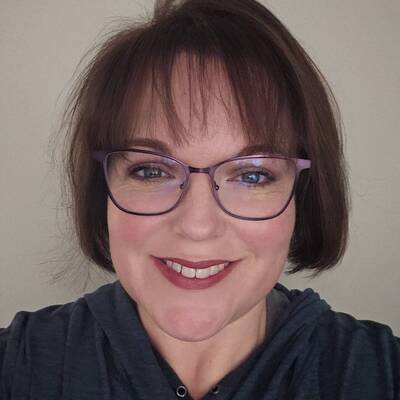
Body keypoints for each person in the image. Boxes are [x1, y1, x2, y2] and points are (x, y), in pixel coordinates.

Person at [0, 0, 399, 399]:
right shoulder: (16, 367)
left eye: (252, 175)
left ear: (303, 198)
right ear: (100, 191)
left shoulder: (381, 374)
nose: (197, 226)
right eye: (151, 171)